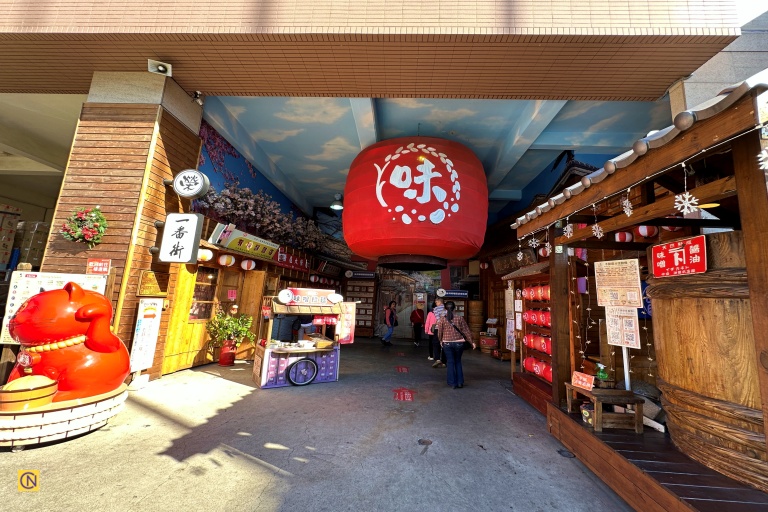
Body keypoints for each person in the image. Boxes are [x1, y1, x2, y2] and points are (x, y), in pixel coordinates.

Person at [436, 300, 476, 389]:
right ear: (455, 308)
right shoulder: (460, 318)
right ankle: (460, 382)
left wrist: (441, 340)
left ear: (445, 309)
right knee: (458, 361)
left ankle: (452, 383)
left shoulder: (442, 319)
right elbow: (466, 331)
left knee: (450, 362)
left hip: (447, 342)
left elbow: (440, 332)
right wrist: (472, 342)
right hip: (459, 343)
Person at [427, 298, 447, 367]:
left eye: (436, 302)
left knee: (435, 343)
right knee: (444, 343)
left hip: (438, 328)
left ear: (439, 302)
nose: (436, 304)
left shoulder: (436, 309)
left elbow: (438, 319)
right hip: (446, 328)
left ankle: (438, 359)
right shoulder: (447, 309)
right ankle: (444, 362)